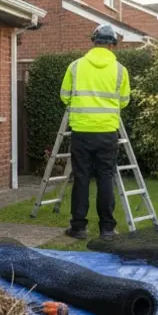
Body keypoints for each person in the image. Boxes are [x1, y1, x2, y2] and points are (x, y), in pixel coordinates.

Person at [59, 24, 131, 240]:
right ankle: (107, 229)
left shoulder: (75, 66)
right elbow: (124, 101)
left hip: (81, 130)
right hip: (107, 131)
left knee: (81, 177)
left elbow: (64, 96)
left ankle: (78, 227)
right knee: (105, 178)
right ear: (112, 45)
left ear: (93, 42)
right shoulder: (120, 70)